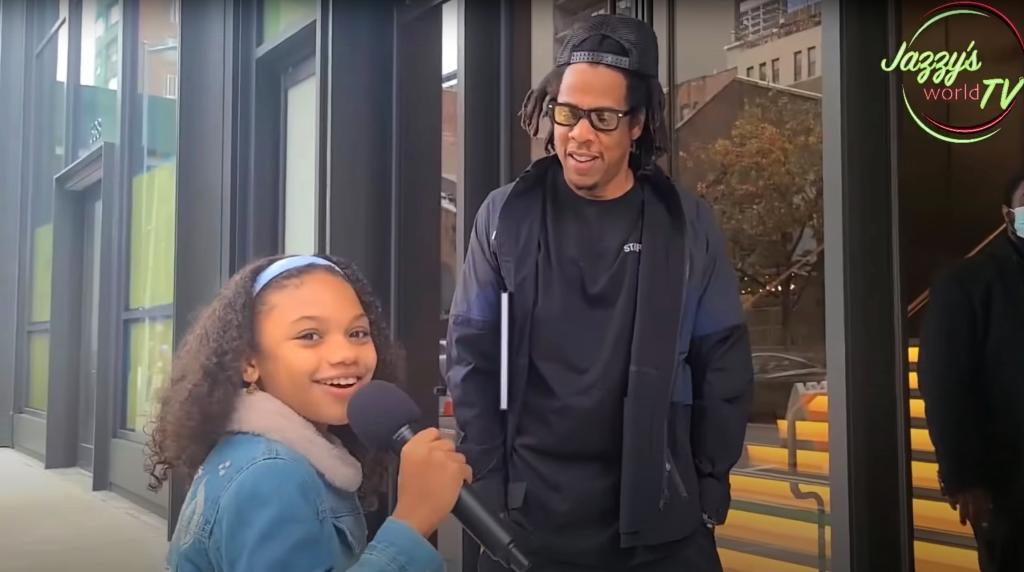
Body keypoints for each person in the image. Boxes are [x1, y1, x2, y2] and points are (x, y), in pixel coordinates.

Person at [446, 14, 753, 572]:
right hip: (528, 521)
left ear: (637, 123)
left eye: (604, 118)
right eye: (567, 113)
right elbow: (473, 358)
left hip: (660, 521)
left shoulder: (686, 224)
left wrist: (710, 480)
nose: (579, 134)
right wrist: (486, 479)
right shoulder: (504, 216)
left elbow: (723, 362)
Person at [148, 254, 472, 571]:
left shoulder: (265, 452)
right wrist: (413, 520)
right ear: (249, 362)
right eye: (310, 336)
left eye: (357, 333)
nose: (345, 354)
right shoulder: (271, 475)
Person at [918, 176, 1024, 572]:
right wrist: (963, 477)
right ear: (1006, 215)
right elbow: (944, 383)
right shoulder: (967, 282)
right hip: (1008, 482)